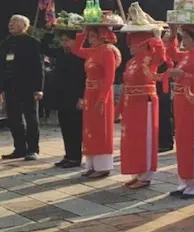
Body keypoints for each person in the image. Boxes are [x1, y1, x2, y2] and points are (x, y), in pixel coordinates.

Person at [117, 17, 167, 189]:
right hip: (131, 104)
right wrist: (119, 107)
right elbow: (126, 86)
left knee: (145, 138)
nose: (129, 46)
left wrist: (157, 38)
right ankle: (136, 172)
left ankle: (146, 175)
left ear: (140, 43)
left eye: (133, 42)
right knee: (133, 139)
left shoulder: (149, 58)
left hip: (145, 103)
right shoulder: (130, 62)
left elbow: (161, 56)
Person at [72, 17, 123, 178]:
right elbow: (75, 49)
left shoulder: (108, 51)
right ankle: (91, 165)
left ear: (102, 36)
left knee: (101, 129)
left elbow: (110, 78)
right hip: (90, 93)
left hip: (102, 93)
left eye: (93, 36)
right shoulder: (92, 51)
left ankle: (103, 167)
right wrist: (83, 32)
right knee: (89, 129)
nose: (90, 40)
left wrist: (102, 99)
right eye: (90, 37)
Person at [166, 24, 194, 199]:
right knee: (183, 141)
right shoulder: (187, 55)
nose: (182, 41)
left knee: (193, 142)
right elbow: (171, 53)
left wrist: (182, 76)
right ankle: (185, 180)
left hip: (193, 103)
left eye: (185, 37)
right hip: (180, 102)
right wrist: (172, 33)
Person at [41, 21, 85, 168]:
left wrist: (82, 97)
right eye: (63, 40)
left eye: (67, 40)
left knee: (75, 127)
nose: (64, 43)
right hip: (61, 95)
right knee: (65, 126)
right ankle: (68, 155)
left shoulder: (81, 54)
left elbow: (84, 77)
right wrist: (51, 31)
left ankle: (75, 157)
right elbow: (44, 47)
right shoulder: (61, 52)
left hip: (75, 95)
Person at [0, 15, 44, 160]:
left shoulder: (32, 43)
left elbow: (38, 67)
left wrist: (38, 88)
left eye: (14, 22)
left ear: (24, 25)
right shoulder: (6, 43)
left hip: (28, 87)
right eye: (10, 21)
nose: (11, 24)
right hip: (10, 87)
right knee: (13, 119)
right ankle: (19, 148)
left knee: (30, 118)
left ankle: (32, 149)